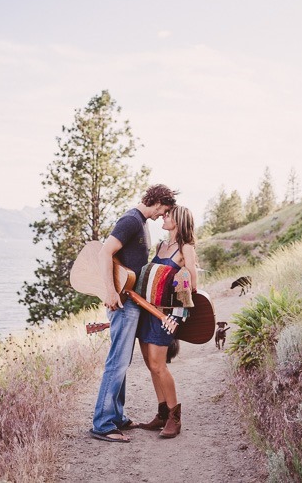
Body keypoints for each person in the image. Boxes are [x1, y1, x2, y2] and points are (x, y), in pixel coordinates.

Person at [89, 184, 179, 444]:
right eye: (164, 210)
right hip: (122, 301)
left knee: (122, 362)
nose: (164, 215)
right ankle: (103, 424)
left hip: (132, 301)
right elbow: (105, 252)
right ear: (158, 201)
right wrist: (110, 291)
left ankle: (116, 417)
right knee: (116, 362)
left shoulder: (141, 223)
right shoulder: (130, 220)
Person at [137, 204, 198, 438]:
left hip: (166, 315)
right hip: (147, 311)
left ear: (179, 220)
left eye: (168, 214)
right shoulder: (162, 245)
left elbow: (191, 282)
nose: (163, 215)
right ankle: (162, 413)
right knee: (150, 364)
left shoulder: (186, 248)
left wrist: (177, 314)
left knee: (159, 365)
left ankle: (174, 417)